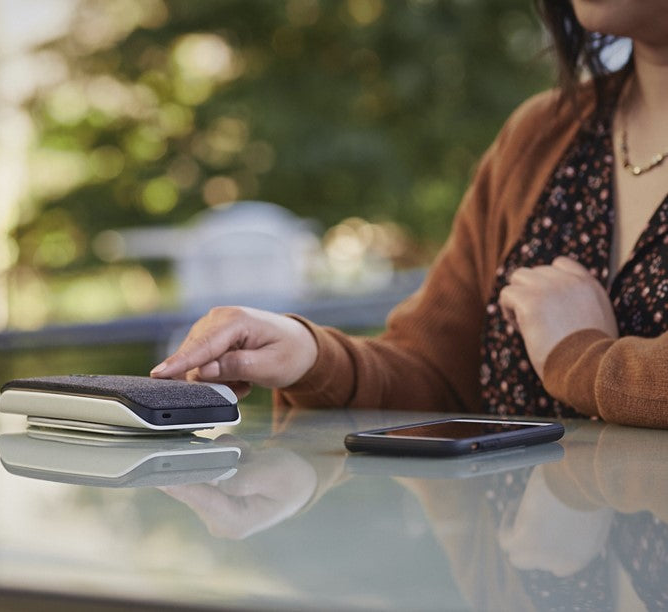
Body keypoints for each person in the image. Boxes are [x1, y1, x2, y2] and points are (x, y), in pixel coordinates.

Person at [151, 0, 668, 429]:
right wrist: (314, 357)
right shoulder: (543, 135)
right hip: (510, 555)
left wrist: (580, 358)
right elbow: (440, 381)